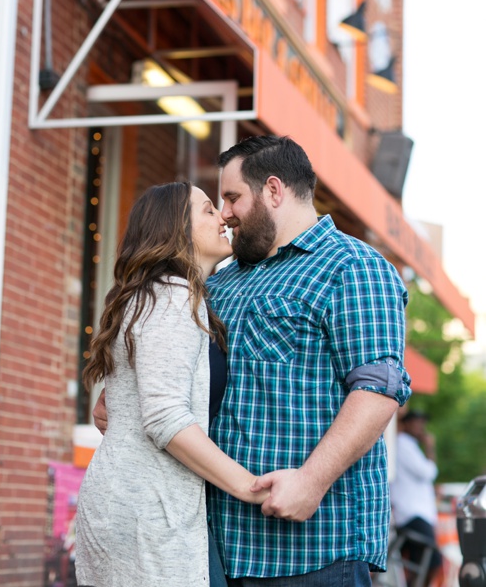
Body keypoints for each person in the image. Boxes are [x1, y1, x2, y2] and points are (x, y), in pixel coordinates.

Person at [95, 135, 412, 586]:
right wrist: (124, 394)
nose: (224, 213)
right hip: (215, 548)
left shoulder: (353, 266)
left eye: (232, 197)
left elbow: (379, 388)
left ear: (274, 191)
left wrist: (311, 481)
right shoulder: (220, 283)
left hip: (313, 546)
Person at [75, 182, 267, 585]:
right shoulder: (174, 297)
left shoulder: (152, 296)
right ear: (176, 229)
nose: (223, 217)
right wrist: (251, 488)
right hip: (148, 510)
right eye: (208, 210)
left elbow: (120, 406)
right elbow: (164, 417)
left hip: (130, 500)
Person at [390, 410, 442, 585]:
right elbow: (428, 472)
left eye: (422, 422)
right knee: (432, 560)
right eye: (416, 422)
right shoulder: (403, 444)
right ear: (406, 424)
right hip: (412, 513)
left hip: (414, 513)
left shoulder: (409, 445)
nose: (421, 427)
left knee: (421, 562)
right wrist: (430, 447)